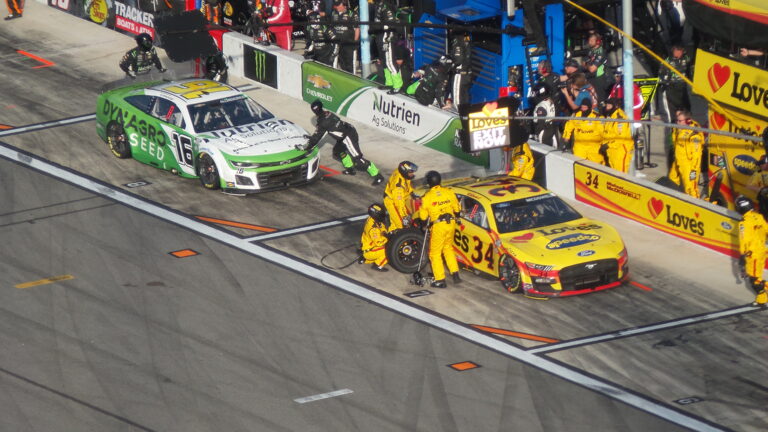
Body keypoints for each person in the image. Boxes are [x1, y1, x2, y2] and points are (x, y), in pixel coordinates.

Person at [307, 100, 385, 185]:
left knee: (358, 159)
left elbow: (317, 137)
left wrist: (308, 146)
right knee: (338, 151)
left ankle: (378, 175)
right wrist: (313, 137)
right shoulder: (327, 113)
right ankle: (350, 169)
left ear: (314, 111)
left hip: (348, 136)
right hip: (348, 131)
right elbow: (320, 132)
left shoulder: (322, 121)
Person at [417, 170, 461, 288]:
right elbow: (457, 209)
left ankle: (440, 279)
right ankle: (455, 274)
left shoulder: (427, 197)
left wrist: (423, 225)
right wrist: (455, 216)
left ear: (429, 182)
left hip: (438, 225)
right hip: (450, 223)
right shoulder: (448, 192)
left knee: (435, 253)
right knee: (448, 248)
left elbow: (423, 216)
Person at [735, 196, 767, 307]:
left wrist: (742, 256)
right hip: (762, 251)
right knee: (756, 277)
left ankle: (762, 296)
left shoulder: (743, 223)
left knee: (754, 280)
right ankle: (761, 299)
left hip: (752, 254)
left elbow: (743, 240)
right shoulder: (759, 217)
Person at [667, 110, 703, 198]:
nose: (677, 123)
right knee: (672, 180)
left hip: (689, 166)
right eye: (677, 120)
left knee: (690, 188)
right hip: (678, 160)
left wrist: (693, 171)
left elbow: (697, 156)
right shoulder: (678, 128)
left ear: (687, 121)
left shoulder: (694, 135)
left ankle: (695, 206)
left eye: (680, 121)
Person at [562, 98, 604, 165]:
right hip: (579, 145)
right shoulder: (576, 115)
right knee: (578, 164)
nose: (584, 109)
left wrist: (603, 144)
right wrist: (566, 137)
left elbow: (603, 131)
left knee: (596, 166)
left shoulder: (597, 117)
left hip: (593, 146)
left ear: (589, 107)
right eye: (582, 107)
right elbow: (569, 126)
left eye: (585, 107)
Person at [658, 44, 691, 124]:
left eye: (680, 52)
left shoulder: (686, 59)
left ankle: (686, 121)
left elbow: (689, 69)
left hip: (683, 86)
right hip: (671, 86)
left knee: (686, 106)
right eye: (676, 52)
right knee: (672, 107)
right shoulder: (668, 61)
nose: (678, 54)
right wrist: (666, 81)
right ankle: (674, 124)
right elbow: (661, 74)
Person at [601, 98, 634, 173]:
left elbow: (620, 138)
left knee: (621, 174)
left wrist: (608, 145)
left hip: (620, 150)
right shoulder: (610, 115)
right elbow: (607, 132)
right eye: (607, 105)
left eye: (609, 105)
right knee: (614, 172)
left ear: (615, 106)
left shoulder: (620, 119)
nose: (607, 107)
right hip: (611, 150)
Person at [383, 161, 418, 231]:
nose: (412, 174)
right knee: (400, 225)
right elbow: (399, 204)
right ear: (405, 172)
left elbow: (407, 183)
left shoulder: (401, 173)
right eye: (410, 172)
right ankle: (397, 239)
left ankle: (391, 235)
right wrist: (404, 216)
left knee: (395, 223)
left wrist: (412, 193)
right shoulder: (398, 187)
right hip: (393, 202)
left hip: (398, 197)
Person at [330, 0, 359, 74]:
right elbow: (331, 28)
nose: (337, 7)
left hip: (349, 43)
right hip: (338, 43)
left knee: (350, 65)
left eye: (338, 5)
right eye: (336, 5)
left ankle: (353, 79)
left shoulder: (352, 13)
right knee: (342, 64)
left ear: (344, 5)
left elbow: (357, 29)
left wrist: (355, 41)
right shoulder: (333, 13)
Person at [361, 203, 390, 272]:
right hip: (370, 249)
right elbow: (379, 242)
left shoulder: (372, 219)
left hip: (368, 246)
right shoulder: (373, 229)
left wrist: (384, 232)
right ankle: (378, 265)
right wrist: (388, 238)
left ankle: (365, 259)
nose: (383, 217)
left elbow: (381, 227)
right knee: (389, 250)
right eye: (381, 215)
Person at [531, 82, 559, 148]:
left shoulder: (541, 105)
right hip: (552, 128)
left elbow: (541, 122)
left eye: (536, 92)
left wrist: (537, 132)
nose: (535, 94)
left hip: (544, 130)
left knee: (543, 150)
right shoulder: (550, 101)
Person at [449, 31, 473, 108]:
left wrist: (452, 66)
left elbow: (458, 60)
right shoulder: (466, 41)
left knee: (457, 94)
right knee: (464, 94)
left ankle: (459, 111)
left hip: (460, 74)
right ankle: (465, 111)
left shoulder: (458, 42)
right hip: (467, 74)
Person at [583, 33, 608, 97]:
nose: (589, 42)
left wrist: (587, 64)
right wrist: (588, 65)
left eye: (592, 40)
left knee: (599, 99)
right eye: (589, 40)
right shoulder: (590, 50)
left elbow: (592, 69)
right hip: (590, 78)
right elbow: (583, 63)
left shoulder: (600, 52)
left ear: (597, 41)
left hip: (599, 79)